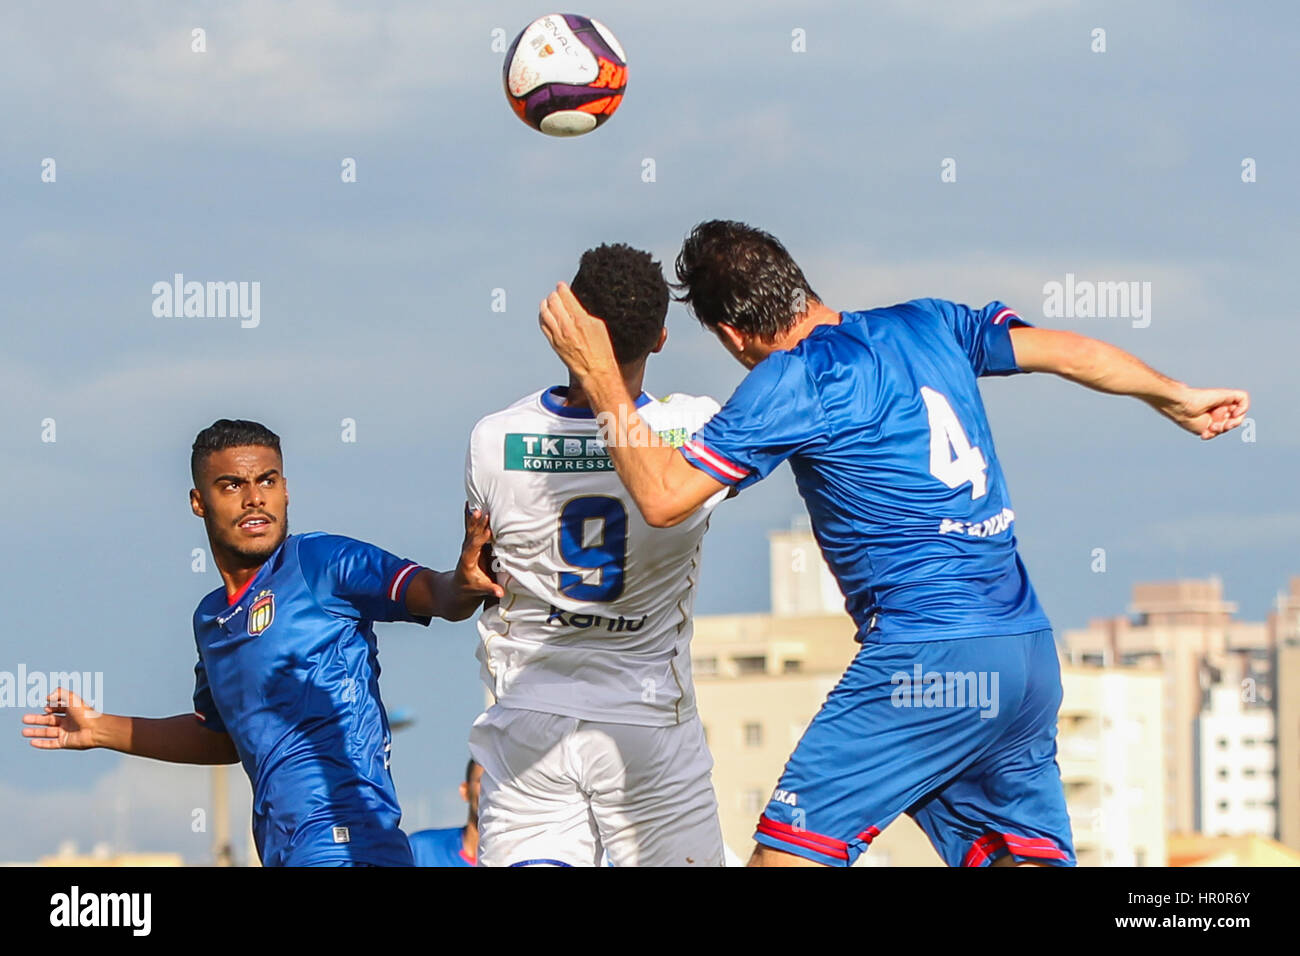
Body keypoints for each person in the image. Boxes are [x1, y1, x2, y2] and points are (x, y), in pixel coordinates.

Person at [537, 219, 1250, 868]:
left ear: (732, 334)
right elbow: (1066, 351)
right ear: (797, 283)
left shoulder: (797, 378)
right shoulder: (929, 323)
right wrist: (1173, 394)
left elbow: (661, 498)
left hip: (923, 660)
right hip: (1024, 653)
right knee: (1017, 858)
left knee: (788, 856)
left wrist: (603, 383)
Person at [22, 419, 502, 867]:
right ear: (198, 501)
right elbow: (221, 738)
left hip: (350, 844)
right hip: (285, 852)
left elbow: (439, 595)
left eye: (267, 481)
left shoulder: (320, 562)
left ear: (286, 490)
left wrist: (461, 582)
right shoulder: (210, 619)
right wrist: (100, 729)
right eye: (232, 485)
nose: (255, 498)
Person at [467, 243, 727, 867]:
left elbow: (482, 566)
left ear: (565, 326)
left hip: (529, 720)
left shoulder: (493, 438)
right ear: (661, 338)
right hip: (648, 720)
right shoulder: (697, 428)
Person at [408, 759, 483, 867]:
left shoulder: (515, 857)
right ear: (465, 791)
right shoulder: (421, 850)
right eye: (483, 781)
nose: (491, 791)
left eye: (498, 782)